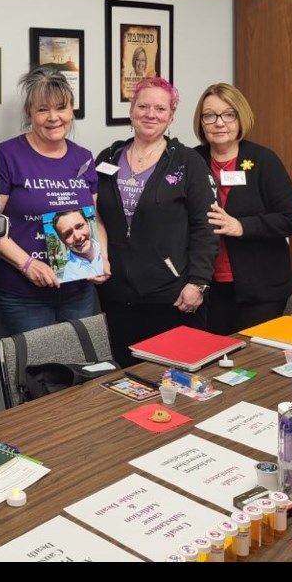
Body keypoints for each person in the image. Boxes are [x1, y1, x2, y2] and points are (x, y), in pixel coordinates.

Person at [95, 77, 218, 367]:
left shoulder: (188, 163)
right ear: (131, 111)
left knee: (174, 380)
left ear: (172, 115)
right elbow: (93, 214)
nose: (151, 114)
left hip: (172, 297)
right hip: (116, 296)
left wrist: (198, 283)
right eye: (143, 106)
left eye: (161, 109)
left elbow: (207, 226)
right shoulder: (108, 157)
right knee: (126, 383)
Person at [0, 66, 108, 335]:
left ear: (72, 110)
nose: (53, 117)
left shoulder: (83, 158)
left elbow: (96, 218)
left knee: (83, 371)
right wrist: (27, 264)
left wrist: (103, 259)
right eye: (43, 109)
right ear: (29, 113)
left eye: (61, 108)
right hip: (24, 294)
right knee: (37, 374)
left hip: (78, 290)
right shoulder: (7, 155)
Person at [193, 83, 292, 335]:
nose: (219, 122)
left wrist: (242, 226)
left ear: (241, 117)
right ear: (201, 122)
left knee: (253, 363)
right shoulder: (192, 161)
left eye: (228, 114)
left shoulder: (264, 160)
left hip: (260, 287)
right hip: (208, 285)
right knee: (216, 361)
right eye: (209, 115)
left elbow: (291, 218)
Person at [53, 209, 105, 282]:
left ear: (88, 223)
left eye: (79, 227)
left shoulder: (109, 247)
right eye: (68, 234)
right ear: (62, 240)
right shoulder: (70, 276)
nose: (77, 237)